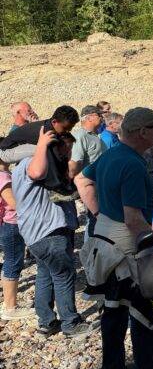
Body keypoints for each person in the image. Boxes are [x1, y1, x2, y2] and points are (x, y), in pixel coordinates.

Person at [75, 107, 153, 369]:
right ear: (141, 132)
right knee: (144, 314)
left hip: (104, 244)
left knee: (112, 310)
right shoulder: (134, 164)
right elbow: (134, 219)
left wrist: (98, 214)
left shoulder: (109, 156)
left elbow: (81, 181)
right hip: (127, 251)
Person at [14, 129, 90, 336]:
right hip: (50, 231)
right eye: (66, 151)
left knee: (45, 274)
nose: (68, 155)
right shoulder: (38, 166)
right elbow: (38, 174)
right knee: (64, 275)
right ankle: (70, 323)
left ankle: (46, 322)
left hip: (34, 233)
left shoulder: (22, 166)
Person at [0, 161, 34, 320]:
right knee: (13, 262)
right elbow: (14, 204)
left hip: (7, 224)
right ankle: (10, 307)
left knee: (11, 261)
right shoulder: (3, 176)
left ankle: (8, 302)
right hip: (12, 224)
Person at [69, 105, 106, 179]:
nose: (102, 118)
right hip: (87, 184)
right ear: (89, 118)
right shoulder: (80, 136)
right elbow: (74, 164)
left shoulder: (96, 135)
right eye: (99, 115)